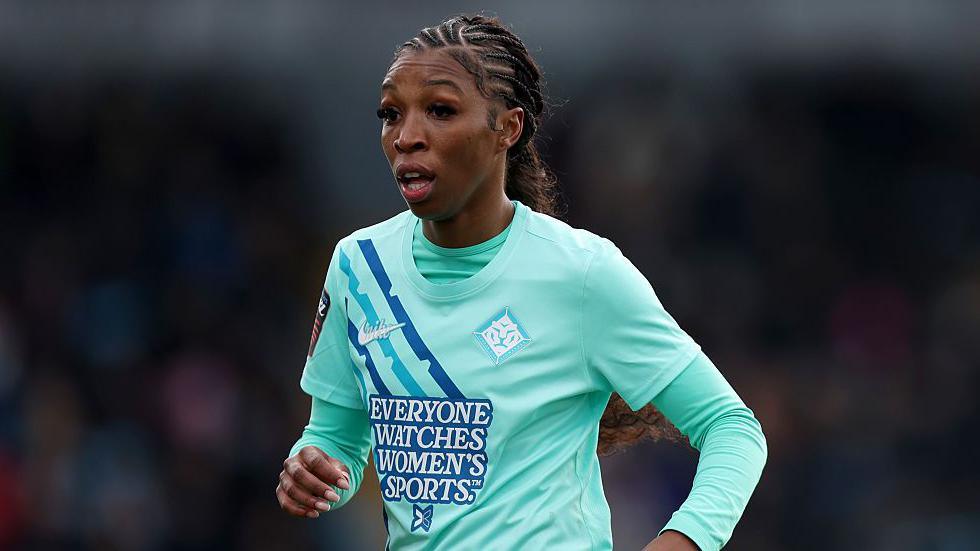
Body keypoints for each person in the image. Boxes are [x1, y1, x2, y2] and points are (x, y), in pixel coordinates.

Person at [276, 14, 767, 551]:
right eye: (391, 114)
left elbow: (732, 428)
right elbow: (336, 439)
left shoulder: (580, 272)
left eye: (440, 110)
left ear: (507, 128)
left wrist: (684, 540)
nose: (407, 137)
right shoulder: (358, 266)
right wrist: (315, 471)